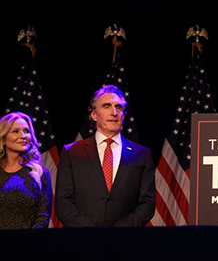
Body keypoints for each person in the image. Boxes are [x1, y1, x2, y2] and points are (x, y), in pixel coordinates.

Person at [55, 85, 156, 227]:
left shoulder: (141, 154)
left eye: (119, 107)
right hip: (82, 241)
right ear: (94, 115)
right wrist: (93, 234)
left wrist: (117, 233)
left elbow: (147, 203)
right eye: (107, 106)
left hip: (125, 241)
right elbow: (63, 202)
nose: (114, 112)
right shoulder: (72, 152)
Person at [0, 112, 52, 229]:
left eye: (26, 131)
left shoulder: (40, 174)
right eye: (15, 131)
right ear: (3, 139)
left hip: (27, 243)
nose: (23, 136)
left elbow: (43, 217)